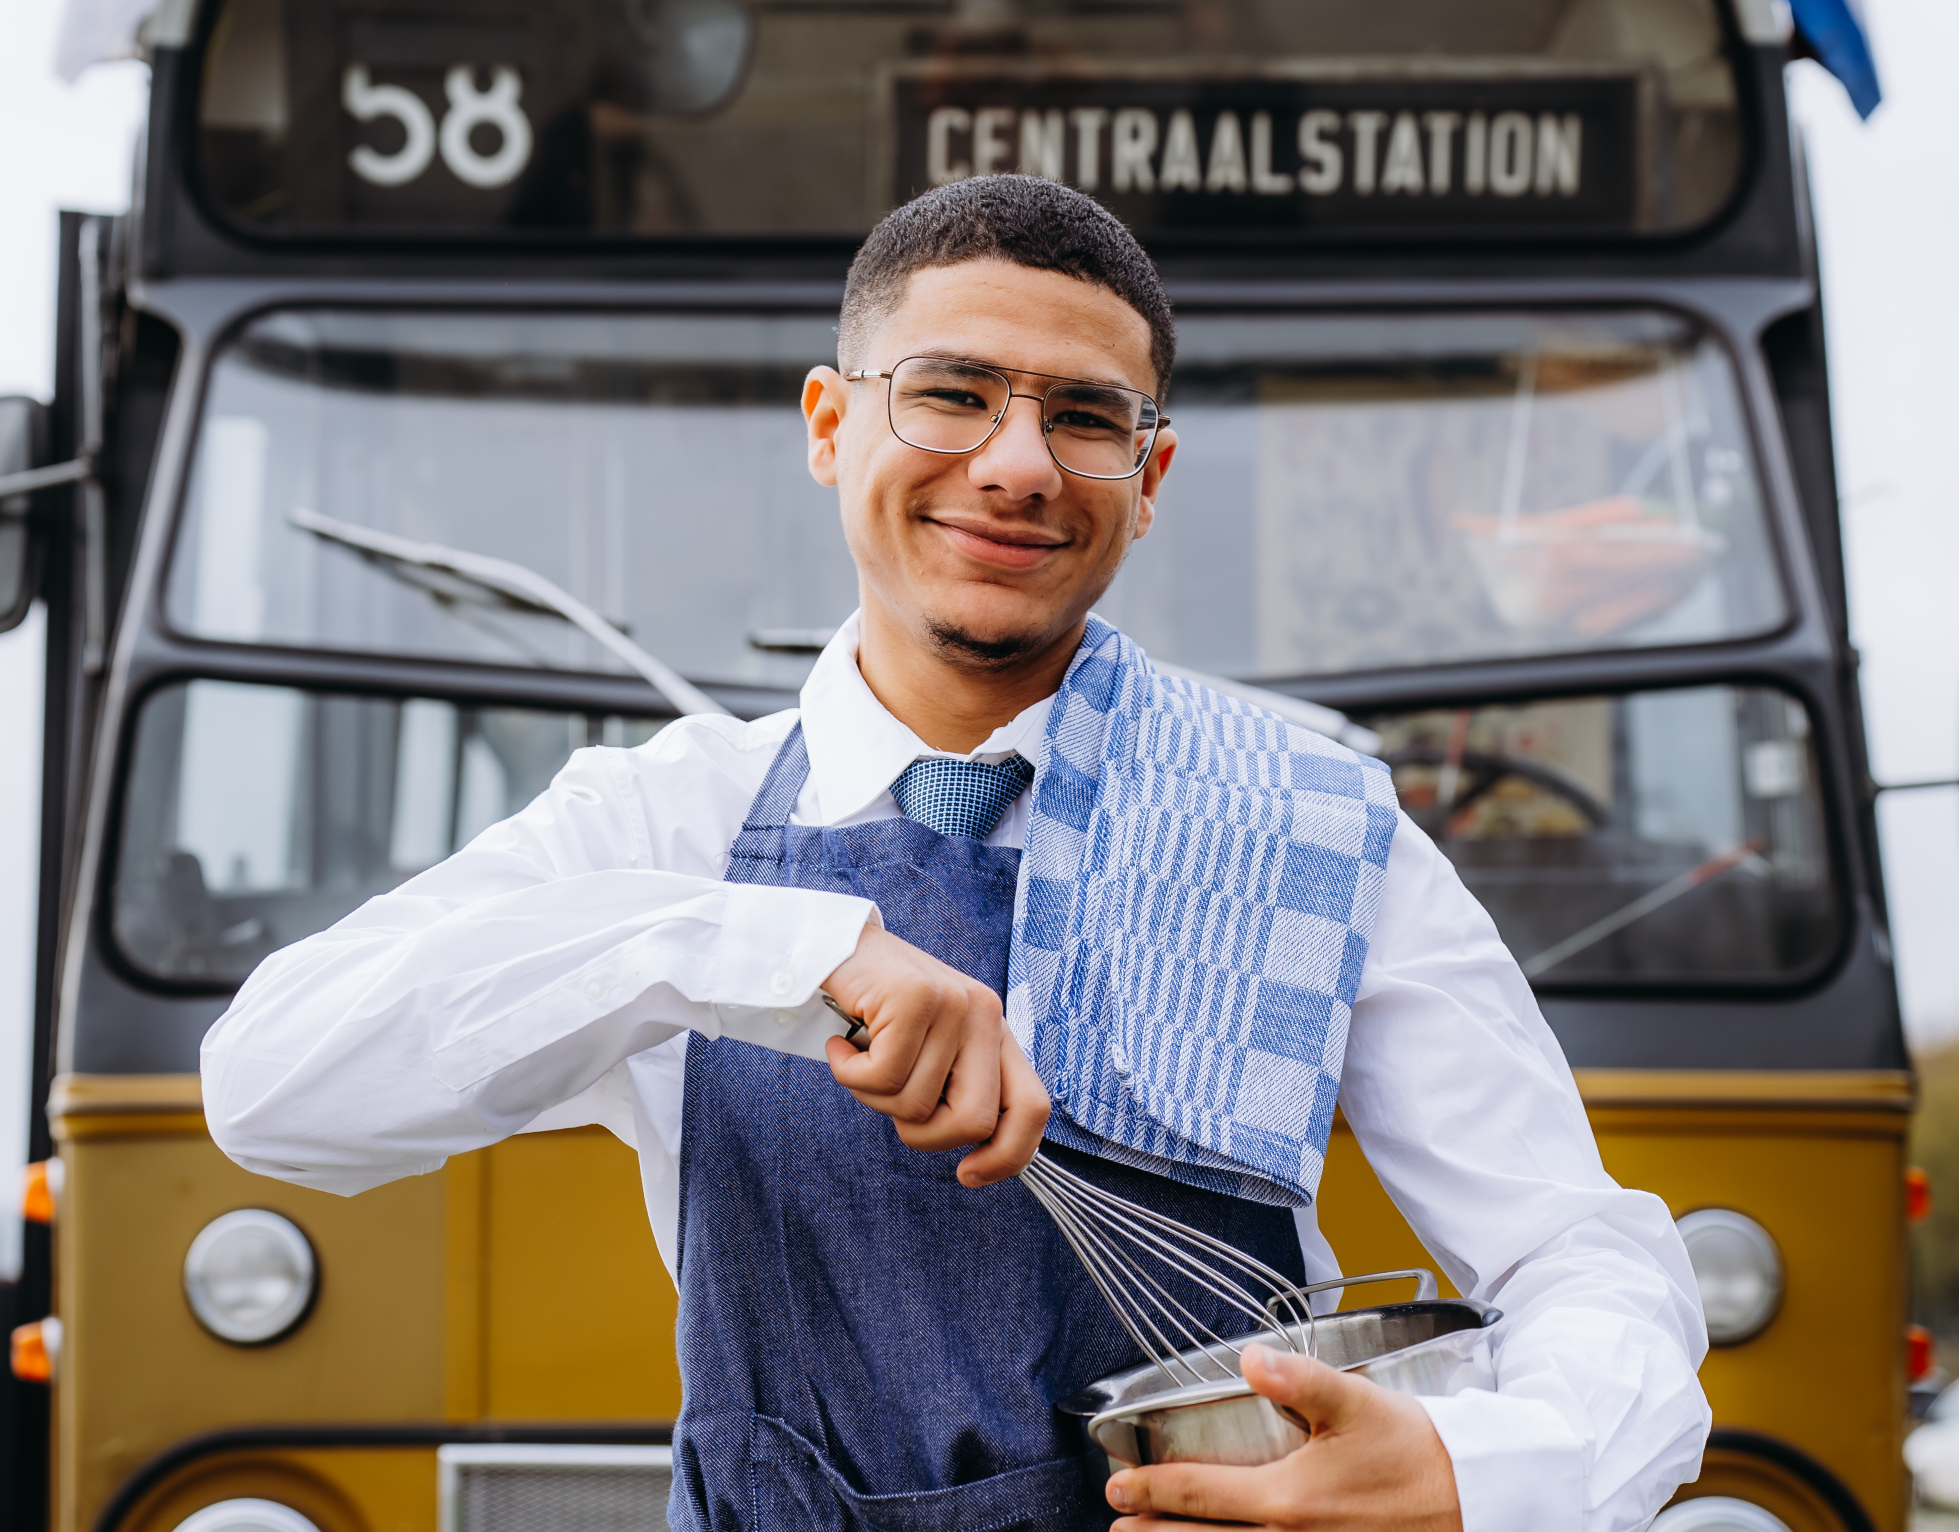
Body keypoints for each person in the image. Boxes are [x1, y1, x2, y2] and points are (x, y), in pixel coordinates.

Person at [202, 175, 1711, 1532]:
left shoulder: (1313, 826)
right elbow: (272, 1085)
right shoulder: (672, 826)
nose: (1015, 464)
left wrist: (1487, 1475)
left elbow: (1582, 1260)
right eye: (950, 394)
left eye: (1083, 416)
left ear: (1148, 479)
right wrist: (767, 950)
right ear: (828, 425)